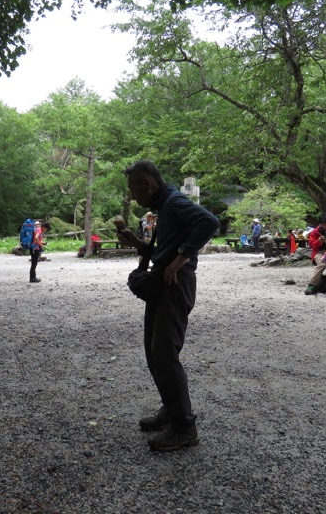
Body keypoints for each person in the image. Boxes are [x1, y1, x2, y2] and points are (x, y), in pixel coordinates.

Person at [116, 160, 219, 452]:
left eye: (133, 189)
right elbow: (165, 247)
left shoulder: (173, 201)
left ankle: (184, 427)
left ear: (146, 183)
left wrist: (181, 258)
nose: (133, 196)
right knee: (153, 350)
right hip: (162, 283)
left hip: (176, 283)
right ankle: (170, 409)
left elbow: (209, 222)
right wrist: (137, 242)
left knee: (164, 352)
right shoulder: (165, 206)